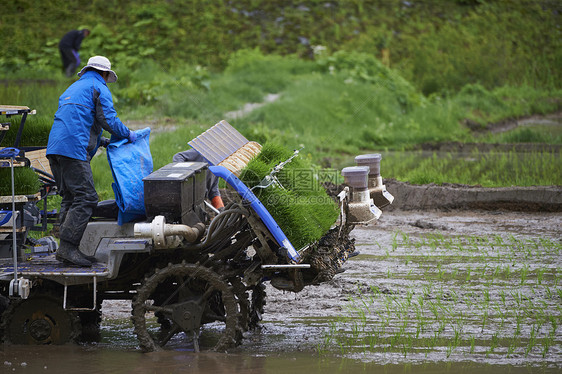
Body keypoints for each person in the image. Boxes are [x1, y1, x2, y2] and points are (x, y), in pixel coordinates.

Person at [47, 56, 136, 267]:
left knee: (70, 197)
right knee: (86, 198)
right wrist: (128, 134)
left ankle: (64, 249)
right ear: (105, 74)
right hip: (73, 150)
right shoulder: (99, 87)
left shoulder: (73, 88)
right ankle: (68, 248)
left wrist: (102, 141)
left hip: (55, 148)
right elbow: (107, 119)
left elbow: (79, 121)